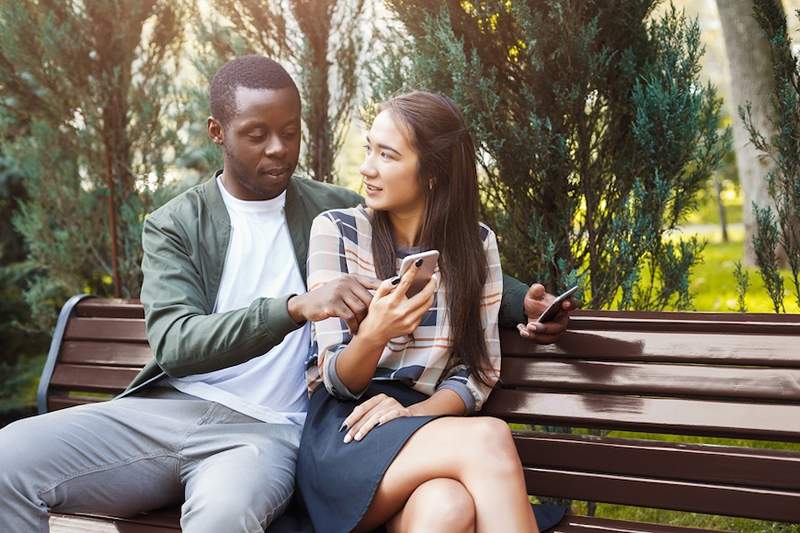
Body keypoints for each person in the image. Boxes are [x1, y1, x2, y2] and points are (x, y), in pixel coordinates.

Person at [0, 56, 571, 532]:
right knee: (7, 460)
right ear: (217, 133)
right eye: (257, 134)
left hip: (271, 430)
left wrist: (524, 303)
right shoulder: (176, 223)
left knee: (226, 516)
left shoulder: (334, 207)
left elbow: (436, 246)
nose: (278, 149)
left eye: (291, 131)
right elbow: (175, 344)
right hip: (168, 411)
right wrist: (294, 308)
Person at [297, 91, 568, 533]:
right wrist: (374, 334)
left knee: (446, 507)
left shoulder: (477, 245)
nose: (367, 167)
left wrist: (412, 414)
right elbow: (335, 379)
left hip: (427, 426)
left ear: (433, 174)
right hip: (348, 432)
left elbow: (476, 373)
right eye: (369, 149)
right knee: (489, 436)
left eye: (387, 155)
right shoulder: (336, 230)